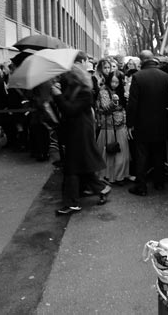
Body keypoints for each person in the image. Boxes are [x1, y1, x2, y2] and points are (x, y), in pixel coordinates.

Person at [52, 51, 110, 214]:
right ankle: (101, 189)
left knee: (73, 167)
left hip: (80, 132)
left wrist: (58, 96)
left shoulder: (85, 93)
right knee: (80, 166)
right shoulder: (72, 88)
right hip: (74, 131)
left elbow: (70, 109)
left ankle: (72, 202)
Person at [127, 50, 168, 196]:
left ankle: (141, 186)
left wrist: (130, 124)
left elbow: (133, 103)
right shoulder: (165, 76)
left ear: (141, 61)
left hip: (142, 123)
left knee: (142, 155)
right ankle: (159, 183)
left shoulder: (138, 76)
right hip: (161, 122)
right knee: (159, 153)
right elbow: (167, 100)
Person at [97, 70, 130, 185]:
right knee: (109, 152)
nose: (114, 84)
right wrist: (114, 103)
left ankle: (120, 175)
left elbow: (125, 107)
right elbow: (105, 108)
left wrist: (126, 99)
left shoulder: (122, 91)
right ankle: (108, 175)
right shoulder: (103, 91)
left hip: (120, 125)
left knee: (121, 153)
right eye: (112, 82)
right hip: (108, 126)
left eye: (117, 82)